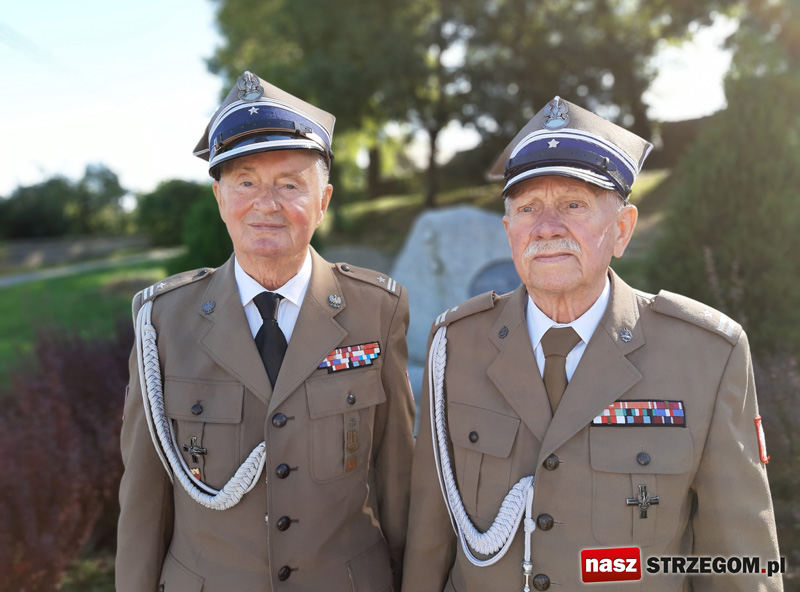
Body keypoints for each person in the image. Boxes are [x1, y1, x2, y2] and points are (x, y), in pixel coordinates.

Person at [402, 96, 782, 592]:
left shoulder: (707, 354)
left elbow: (740, 555)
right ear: (509, 231)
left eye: (573, 204)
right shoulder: (456, 344)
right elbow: (429, 538)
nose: (546, 228)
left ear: (621, 230)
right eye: (528, 208)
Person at [117, 71, 415, 592]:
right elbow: (143, 497)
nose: (266, 203)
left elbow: (399, 481)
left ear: (322, 202)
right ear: (219, 198)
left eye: (290, 185)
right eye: (246, 182)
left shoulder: (376, 310)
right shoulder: (163, 322)